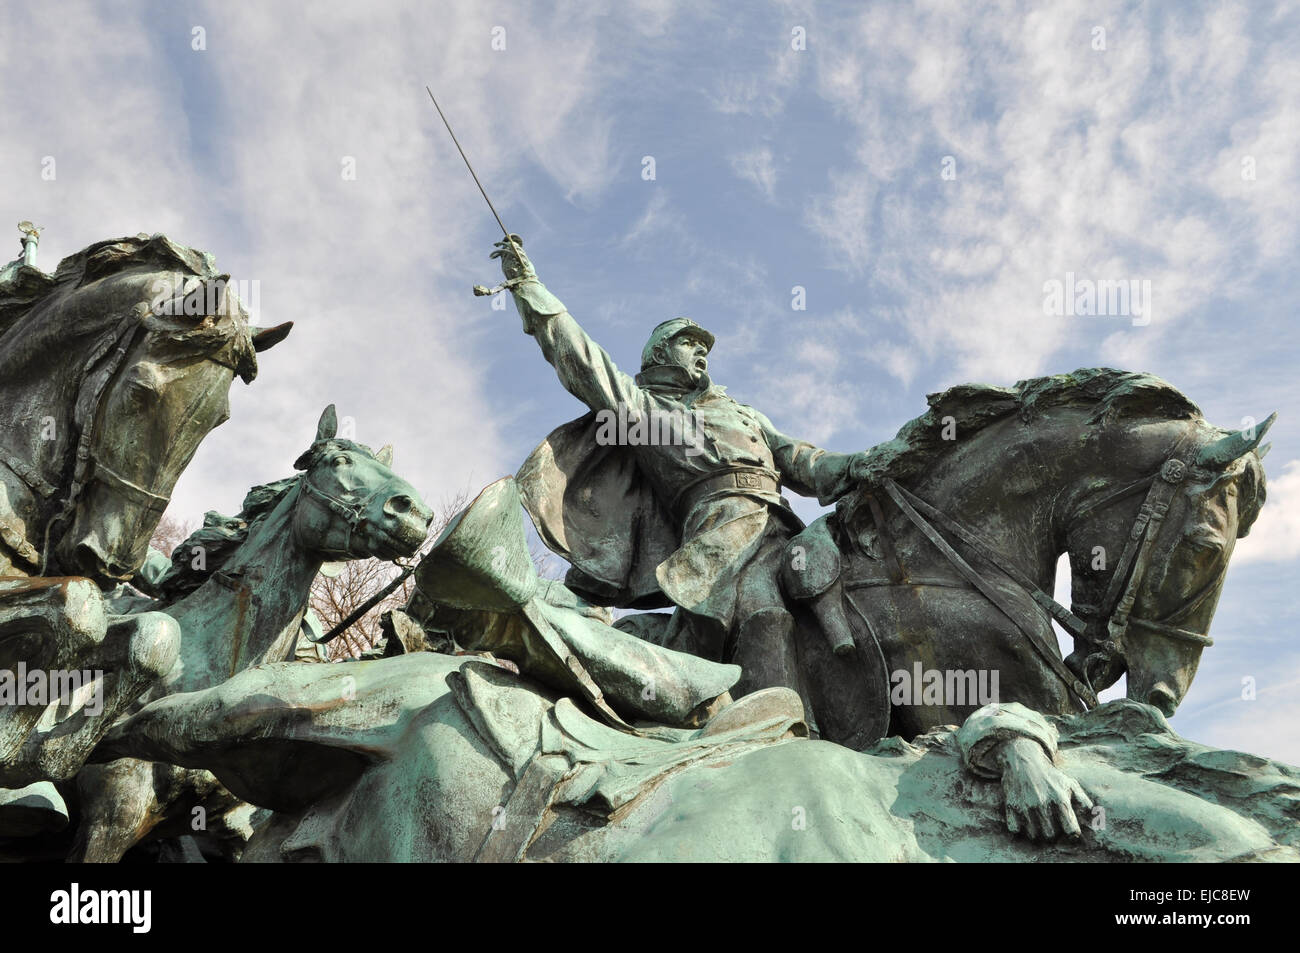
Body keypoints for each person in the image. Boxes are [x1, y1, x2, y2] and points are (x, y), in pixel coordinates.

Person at [497, 236, 876, 718]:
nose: (701, 352)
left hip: (781, 528)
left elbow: (801, 460)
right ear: (658, 355)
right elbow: (585, 366)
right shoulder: (647, 413)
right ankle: (777, 734)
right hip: (721, 533)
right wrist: (531, 291)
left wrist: (863, 463)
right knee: (767, 617)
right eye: (688, 342)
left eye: (704, 346)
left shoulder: (741, 412)